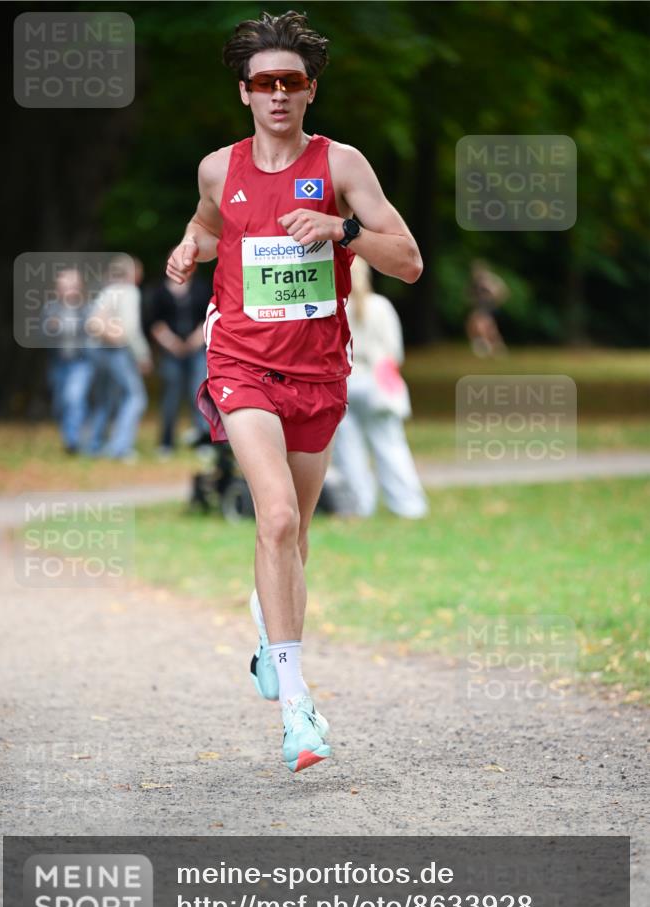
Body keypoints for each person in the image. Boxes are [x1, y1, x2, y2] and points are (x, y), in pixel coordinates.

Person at [166, 11, 422, 772]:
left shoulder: (340, 164)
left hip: (318, 371)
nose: (278, 94)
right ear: (244, 92)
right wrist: (188, 246)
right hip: (240, 360)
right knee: (272, 515)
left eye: (292, 82)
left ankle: (267, 635)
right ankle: (297, 702)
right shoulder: (219, 167)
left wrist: (340, 230)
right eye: (264, 83)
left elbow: (406, 260)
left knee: (294, 535)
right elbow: (213, 226)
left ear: (309, 90)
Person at [331, 257, 428, 518]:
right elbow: (394, 352)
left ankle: (360, 506)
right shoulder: (380, 307)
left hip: (344, 384)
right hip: (376, 383)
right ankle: (409, 506)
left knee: (348, 450)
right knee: (391, 445)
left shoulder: (334, 307)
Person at [84, 255, 153, 462]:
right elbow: (130, 330)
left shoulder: (106, 291)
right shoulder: (129, 291)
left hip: (97, 350)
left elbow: (92, 323)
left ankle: (94, 445)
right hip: (117, 351)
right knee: (136, 398)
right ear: (132, 274)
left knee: (106, 399)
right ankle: (120, 448)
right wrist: (142, 355)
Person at [148, 274, 211, 457]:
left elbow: (207, 317)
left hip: (197, 348)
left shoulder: (201, 288)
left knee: (198, 394)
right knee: (170, 396)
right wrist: (172, 343)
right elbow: (155, 322)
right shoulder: (160, 291)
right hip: (170, 351)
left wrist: (194, 341)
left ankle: (203, 439)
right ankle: (166, 442)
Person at [42, 268, 96, 454]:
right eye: (65, 286)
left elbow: (93, 334)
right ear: (58, 289)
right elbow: (43, 334)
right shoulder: (51, 309)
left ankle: (74, 443)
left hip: (81, 362)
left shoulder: (88, 308)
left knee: (74, 398)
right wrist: (51, 328)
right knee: (61, 404)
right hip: (58, 364)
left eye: (73, 285)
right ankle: (75, 436)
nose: (69, 290)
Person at [466, 259, 509, 357]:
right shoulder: (476, 282)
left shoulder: (486, 281)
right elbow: (469, 295)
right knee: (488, 329)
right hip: (482, 308)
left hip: (488, 308)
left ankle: (486, 346)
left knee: (482, 326)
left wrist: (493, 300)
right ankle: (496, 348)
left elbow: (500, 293)